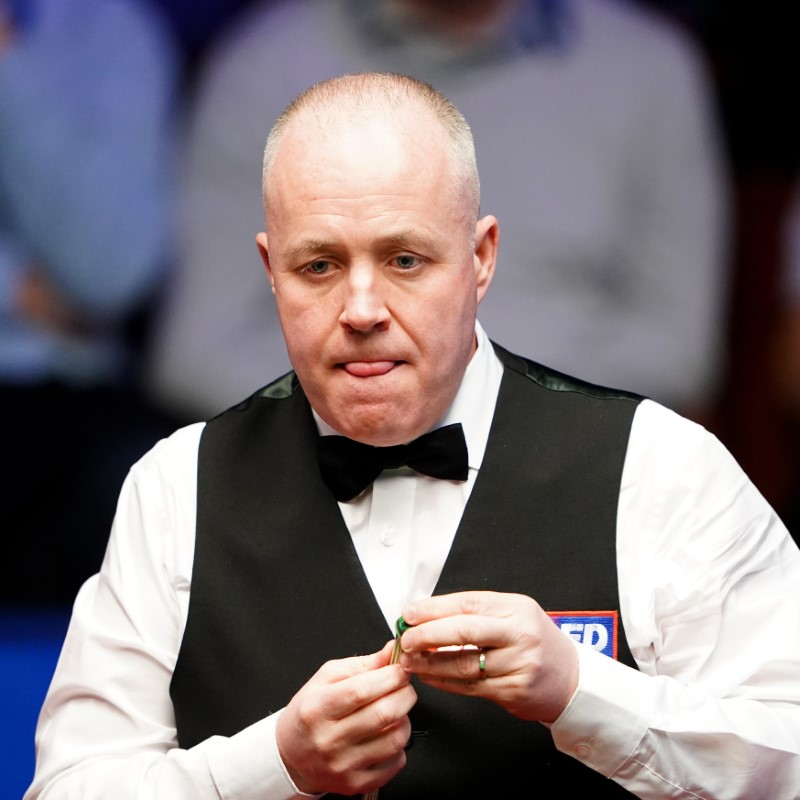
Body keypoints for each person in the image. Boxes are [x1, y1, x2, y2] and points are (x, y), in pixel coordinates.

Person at [25, 72, 800, 799]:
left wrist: (580, 691)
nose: (362, 309)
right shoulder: (176, 486)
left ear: (480, 258)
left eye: (404, 259)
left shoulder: (659, 466)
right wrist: (271, 766)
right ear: (271, 270)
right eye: (319, 266)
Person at [145, 0, 730, 425]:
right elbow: (197, 353)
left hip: (572, 458)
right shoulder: (264, 63)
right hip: (323, 461)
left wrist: (498, 427)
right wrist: (376, 422)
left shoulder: (649, 66)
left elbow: (677, 350)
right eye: (321, 265)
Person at [0, 0, 181, 603]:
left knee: (145, 491)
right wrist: (13, 287)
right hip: (49, 350)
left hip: (63, 396)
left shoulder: (105, 29)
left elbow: (111, 273)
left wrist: (8, 59)